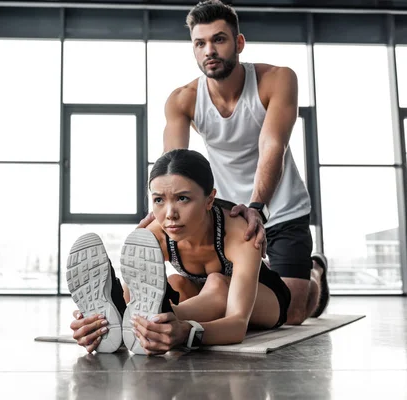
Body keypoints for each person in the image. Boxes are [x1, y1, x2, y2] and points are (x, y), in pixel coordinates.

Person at [141, 0, 329, 325]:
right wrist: (159, 208)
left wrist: (258, 205)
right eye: (200, 43)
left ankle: (315, 270)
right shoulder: (182, 99)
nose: (209, 50)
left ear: (238, 43)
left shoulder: (277, 79)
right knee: (227, 293)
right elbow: (172, 164)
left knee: (294, 314)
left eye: (219, 40)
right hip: (229, 215)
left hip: (281, 209)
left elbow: (273, 145)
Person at [67, 149, 291, 355]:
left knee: (216, 282)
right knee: (174, 282)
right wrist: (97, 323)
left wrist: (186, 332)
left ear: (209, 199)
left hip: (265, 300)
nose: (170, 214)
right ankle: (148, 320)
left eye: (182, 198)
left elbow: (237, 325)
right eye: (159, 200)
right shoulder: (155, 235)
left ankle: (157, 318)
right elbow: (130, 297)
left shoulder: (240, 233)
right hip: (202, 297)